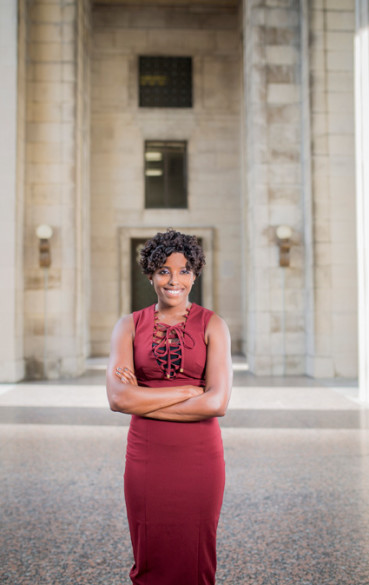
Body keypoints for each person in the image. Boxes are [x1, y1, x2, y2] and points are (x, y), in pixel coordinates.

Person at [106, 229, 232, 585]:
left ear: (194, 275)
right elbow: (118, 398)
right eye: (163, 270)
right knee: (149, 549)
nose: (173, 280)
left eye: (183, 270)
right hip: (147, 454)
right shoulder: (128, 326)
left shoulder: (214, 326)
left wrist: (142, 401)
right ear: (150, 274)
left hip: (199, 457)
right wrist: (186, 392)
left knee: (197, 552)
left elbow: (217, 402)